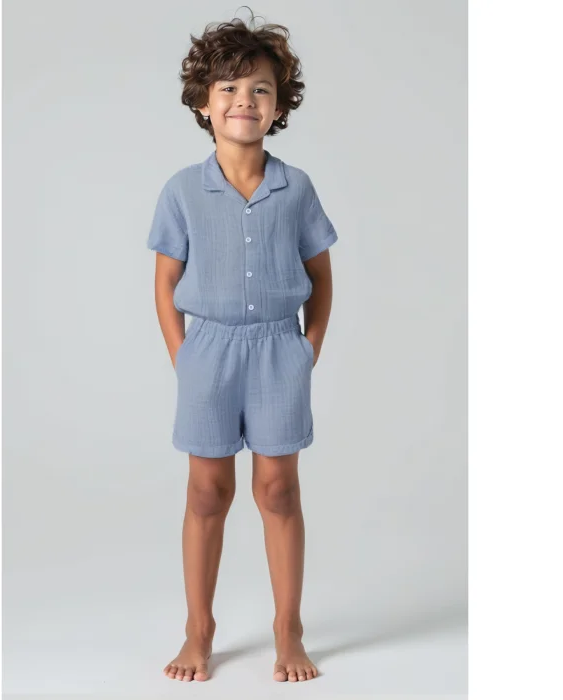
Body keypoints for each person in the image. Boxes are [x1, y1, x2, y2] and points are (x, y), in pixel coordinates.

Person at [146, 13, 337, 684]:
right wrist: (184, 357)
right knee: (207, 492)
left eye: (259, 89)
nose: (243, 101)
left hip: (279, 351)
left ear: (279, 105)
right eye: (228, 88)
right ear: (204, 103)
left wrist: (307, 348)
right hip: (209, 353)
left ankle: (290, 629)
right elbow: (165, 283)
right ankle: (198, 629)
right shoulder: (182, 191)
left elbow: (321, 277)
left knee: (278, 489)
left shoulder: (296, 188)